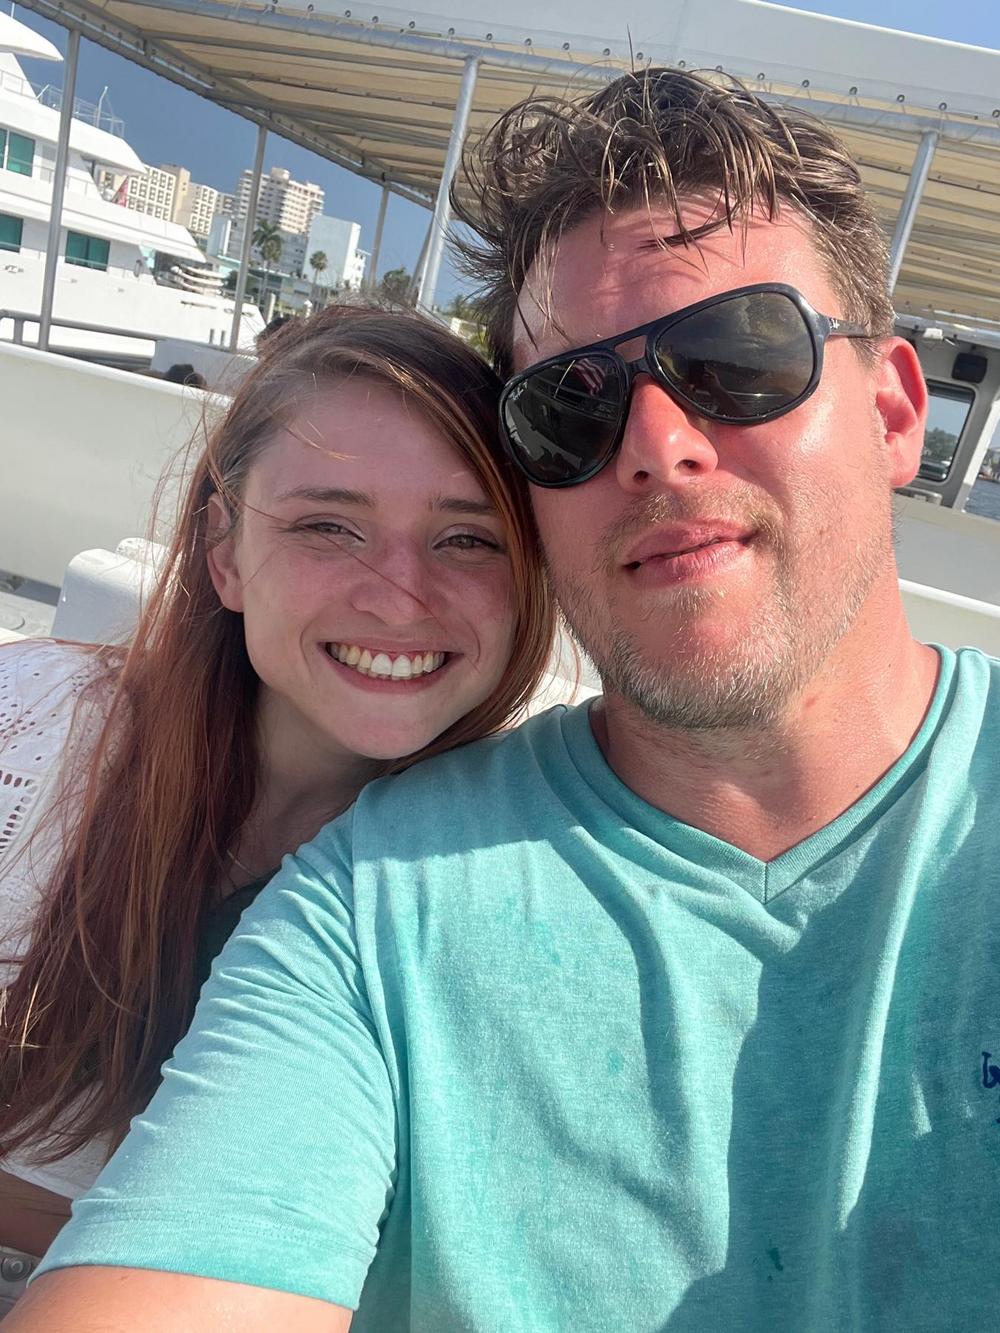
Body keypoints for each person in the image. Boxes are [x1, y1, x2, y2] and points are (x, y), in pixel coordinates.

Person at [9, 67, 1000, 1332]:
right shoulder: (375, 903)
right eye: (569, 407)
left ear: (895, 410)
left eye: (737, 356)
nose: (655, 443)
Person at [0, 303, 557, 1314]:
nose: (399, 595)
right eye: (328, 526)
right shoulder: (31, 728)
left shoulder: (501, 887)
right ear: (223, 554)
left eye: (467, 538)